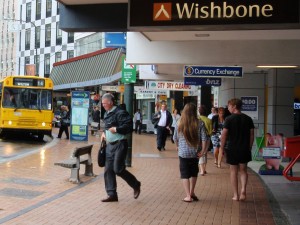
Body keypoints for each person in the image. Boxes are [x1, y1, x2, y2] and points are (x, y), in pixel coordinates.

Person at [100, 93, 141, 202]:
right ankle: (112, 194)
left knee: (118, 169)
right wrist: (104, 134)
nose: (103, 105)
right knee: (108, 170)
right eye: (102, 104)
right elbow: (106, 127)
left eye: (105, 104)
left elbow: (128, 127)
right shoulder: (107, 113)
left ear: (111, 102)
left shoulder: (120, 113)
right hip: (109, 145)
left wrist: (117, 129)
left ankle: (135, 184)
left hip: (120, 144)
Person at [173, 103, 209, 202]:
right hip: (195, 153)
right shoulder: (200, 123)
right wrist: (203, 151)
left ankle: (188, 196)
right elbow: (204, 139)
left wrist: (177, 146)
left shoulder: (179, 122)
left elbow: (174, 137)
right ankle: (192, 192)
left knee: (184, 174)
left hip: (183, 153)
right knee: (194, 173)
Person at [220, 98, 254, 201]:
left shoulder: (229, 119)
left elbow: (224, 135)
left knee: (233, 171)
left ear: (234, 106)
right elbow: (252, 134)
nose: (228, 108)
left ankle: (236, 194)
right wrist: (249, 146)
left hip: (232, 148)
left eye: (229, 106)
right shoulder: (248, 119)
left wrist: (222, 148)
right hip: (244, 148)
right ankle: (243, 190)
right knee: (243, 170)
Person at [198, 105, 212, 176]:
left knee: (200, 153)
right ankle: (204, 168)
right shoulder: (209, 120)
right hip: (207, 138)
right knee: (205, 153)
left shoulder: (198, 119)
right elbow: (210, 132)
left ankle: (202, 170)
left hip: (199, 139)